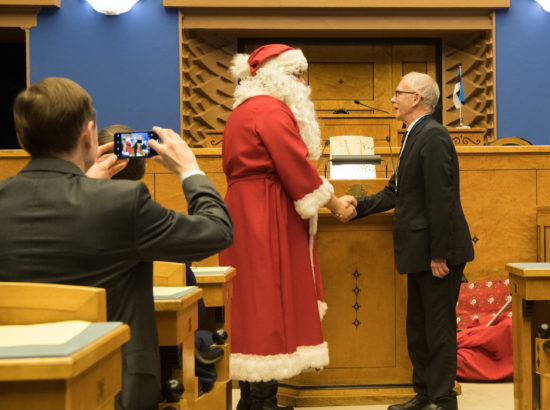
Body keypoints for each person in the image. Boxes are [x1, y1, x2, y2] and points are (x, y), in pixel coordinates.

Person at [0, 77, 234, 410]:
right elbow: (217, 231)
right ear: (87, 134)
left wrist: (86, 184)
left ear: (22, 139)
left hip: (16, 387)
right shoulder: (121, 202)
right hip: (114, 388)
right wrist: (189, 169)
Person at [218, 44, 357, 410]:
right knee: (269, 299)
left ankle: (249, 399)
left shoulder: (241, 111)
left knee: (249, 302)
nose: (301, 83)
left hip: (242, 210)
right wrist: (334, 202)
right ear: (277, 76)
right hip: (267, 212)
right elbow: (295, 165)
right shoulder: (270, 109)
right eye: (296, 75)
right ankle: (263, 402)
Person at [352, 72, 474, 410]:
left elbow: (442, 199)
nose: (392, 99)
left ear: (416, 98)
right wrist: (357, 206)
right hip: (420, 252)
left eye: (398, 93)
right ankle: (425, 394)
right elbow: (396, 191)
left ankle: (442, 399)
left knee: (437, 330)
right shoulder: (415, 134)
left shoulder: (433, 136)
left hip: (436, 254)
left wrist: (440, 254)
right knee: (419, 328)